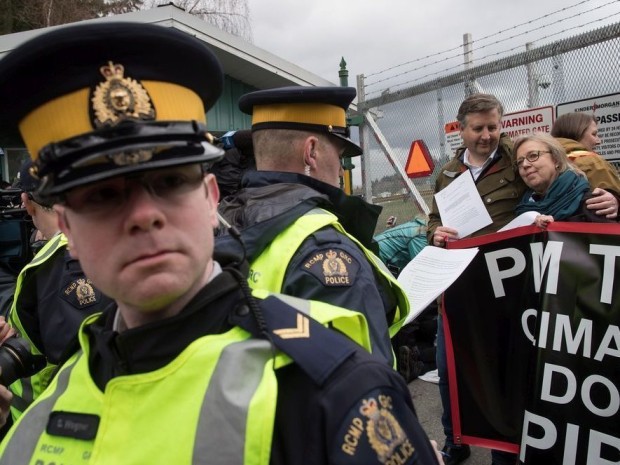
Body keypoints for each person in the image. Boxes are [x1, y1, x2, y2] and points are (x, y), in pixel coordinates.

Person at [0, 22, 443, 465]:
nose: (142, 215)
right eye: (101, 195)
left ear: (211, 197)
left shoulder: (330, 392)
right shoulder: (37, 419)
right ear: (66, 231)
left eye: (170, 180)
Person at [427, 94, 618, 465]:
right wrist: (435, 233)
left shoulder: (518, 156)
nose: (487, 136)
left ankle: (516, 449)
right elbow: (434, 218)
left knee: (515, 375)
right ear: (460, 130)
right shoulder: (447, 173)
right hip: (465, 285)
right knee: (453, 369)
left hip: (517, 290)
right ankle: (455, 439)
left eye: (493, 127)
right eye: (478, 129)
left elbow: (577, 174)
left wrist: (613, 199)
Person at [217, 86, 409, 366]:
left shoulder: (224, 217)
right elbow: (363, 385)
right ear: (311, 152)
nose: (342, 170)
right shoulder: (326, 250)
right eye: (340, 156)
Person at [6, 160, 112, 423]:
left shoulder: (60, 264)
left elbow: (77, 363)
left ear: (26, 202)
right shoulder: (95, 244)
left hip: (52, 423)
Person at [373, 216, 437, 382]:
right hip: (379, 269)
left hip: (384, 267)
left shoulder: (421, 229)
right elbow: (423, 275)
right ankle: (409, 360)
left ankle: (410, 355)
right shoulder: (421, 235)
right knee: (410, 310)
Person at [513, 133, 618, 225]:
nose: (525, 165)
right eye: (520, 162)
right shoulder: (524, 210)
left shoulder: (593, 203)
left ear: (556, 159)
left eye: (533, 155)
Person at [551, 112, 620, 211]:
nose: (598, 141)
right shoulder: (592, 162)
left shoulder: (542, 161)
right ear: (576, 132)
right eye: (594, 134)